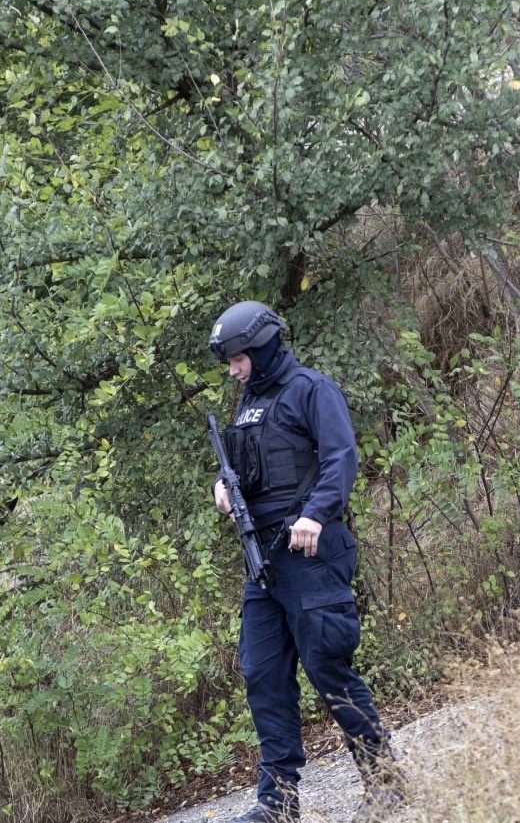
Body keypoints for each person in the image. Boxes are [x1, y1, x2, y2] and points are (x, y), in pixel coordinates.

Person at [208, 301, 405, 823]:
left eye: (237, 357)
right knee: (263, 673)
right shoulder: (249, 406)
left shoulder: (312, 390)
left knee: (327, 666)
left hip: (310, 552)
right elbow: (247, 473)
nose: (233, 369)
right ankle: (277, 804)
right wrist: (224, 490)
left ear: (263, 344)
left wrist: (316, 515)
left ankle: (386, 781)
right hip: (265, 563)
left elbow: (342, 458)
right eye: (229, 361)